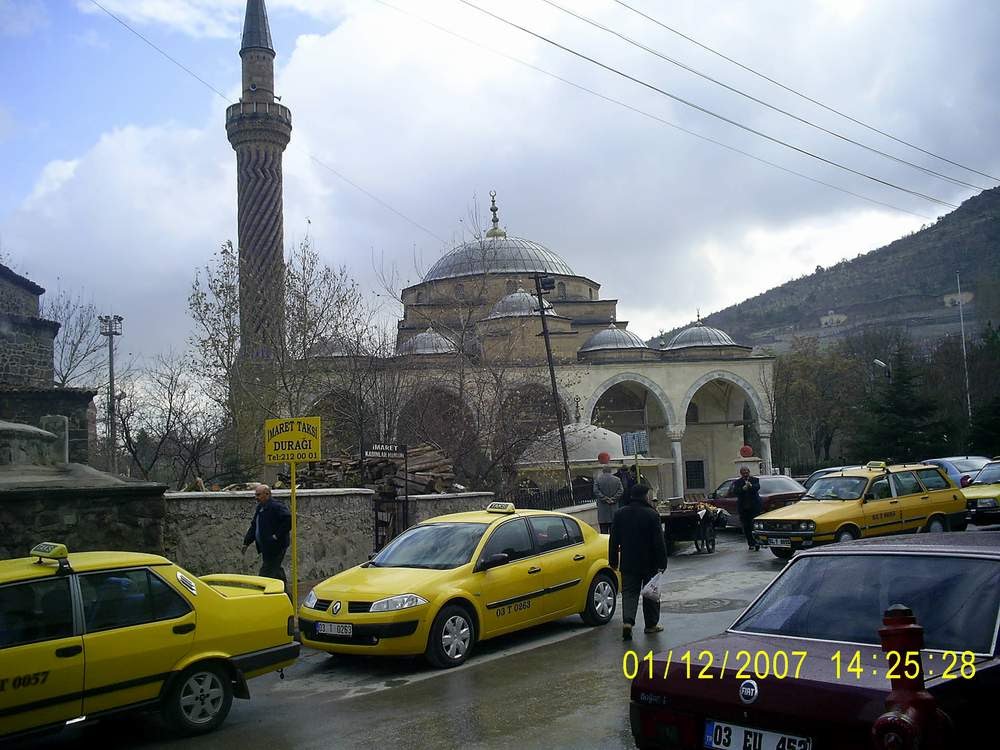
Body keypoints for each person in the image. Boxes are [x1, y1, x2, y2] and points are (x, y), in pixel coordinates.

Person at [609, 483, 668, 641]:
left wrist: (613, 560)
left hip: (628, 562)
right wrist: (663, 562)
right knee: (650, 593)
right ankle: (651, 625)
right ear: (645, 496)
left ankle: (628, 622)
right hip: (650, 563)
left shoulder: (620, 514)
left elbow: (613, 540)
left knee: (629, 593)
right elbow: (659, 542)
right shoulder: (652, 514)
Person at [242, 484, 292, 584]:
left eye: (258, 495)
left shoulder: (276, 507)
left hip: (277, 546)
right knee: (276, 572)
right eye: (256, 495)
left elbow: (288, 521)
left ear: (267, 494)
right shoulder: (260, 508)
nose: (256, 498)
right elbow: (254, 526)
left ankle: (260, 595)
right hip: (266, 547)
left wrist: (276, 536)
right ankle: (285, 595)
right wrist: (246, 542)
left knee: (266, 574)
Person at [728, 467, 762, 550]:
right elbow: (735, 492)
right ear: (741, 474)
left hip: (754, 507)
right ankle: (751, 543)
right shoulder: (737, 482)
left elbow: (757, 487)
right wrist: (743, 489)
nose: (745, 475)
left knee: (754, 525)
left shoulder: (755, 480)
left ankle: (757, 542)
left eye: (747, 473)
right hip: (743, 508)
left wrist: (751, 486)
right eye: (743, 473)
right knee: (746, 526)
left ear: (749, 472)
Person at [594, 459, 624, 534]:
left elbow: (596, 491)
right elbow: (621, 490)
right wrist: (613, 499)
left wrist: (604, 498)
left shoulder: (598, 480)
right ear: (610, 471)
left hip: (603, 511)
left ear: (603, 471)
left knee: (604, 532)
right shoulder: (617, 479)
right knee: (614, 532)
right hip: (614, 509)